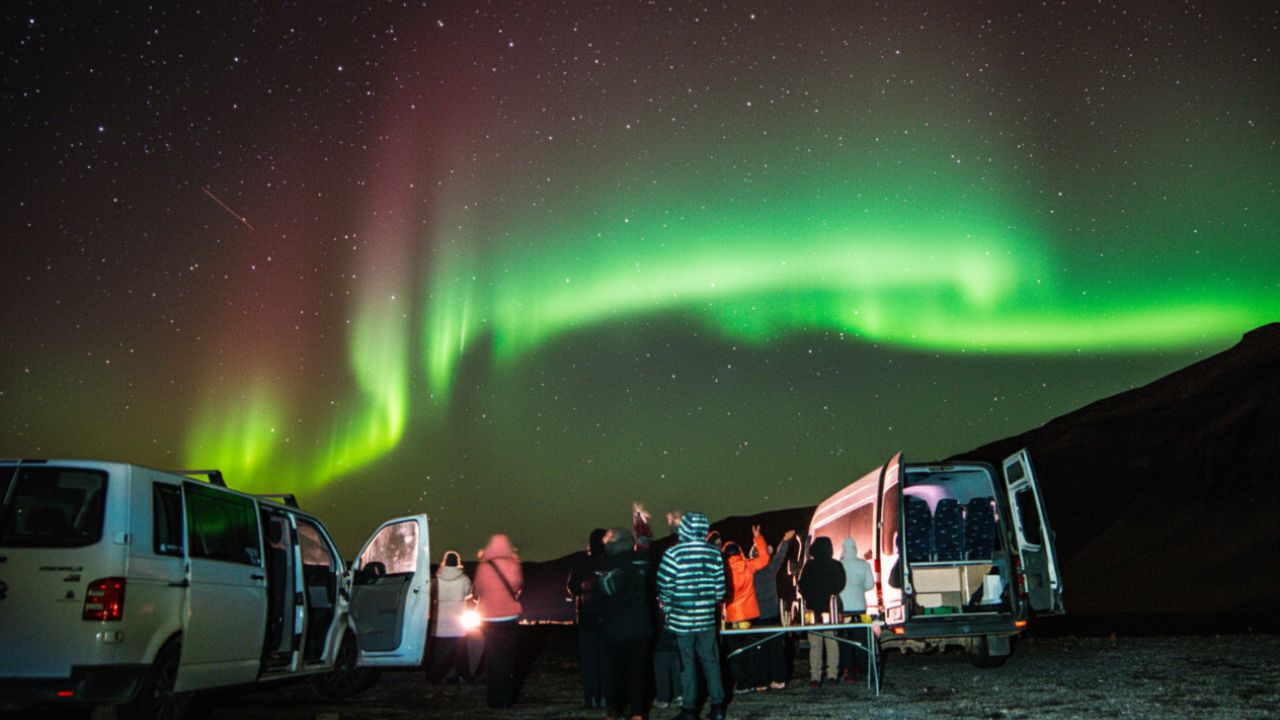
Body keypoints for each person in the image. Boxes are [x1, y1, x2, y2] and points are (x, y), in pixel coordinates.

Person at [656, 512, 726, 720]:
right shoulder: (714, 554)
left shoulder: (673, 554)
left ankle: (689, 710)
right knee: (711, 662)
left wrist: (669, 609)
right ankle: (718, 708)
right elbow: (721, 591)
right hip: (706, 620)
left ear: (684, 528)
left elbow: (663, 586)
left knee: (687, 665)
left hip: (681, 621)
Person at [598, 520, 653, 720]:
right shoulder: (641, 561)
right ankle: (637, 712)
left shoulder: (606, 568)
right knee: (637, 672)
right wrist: (643, 535)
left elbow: (599, 597)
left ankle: (613, 710)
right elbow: (646, 547)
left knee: (613, 672)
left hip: (613, 629)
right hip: (640, 627)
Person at [474, 534, 523, 709]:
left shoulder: (484, 567)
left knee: (492, 659)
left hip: (489, 618)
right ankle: (506, 699)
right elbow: (517, 586)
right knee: (507, 659)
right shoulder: (514, 565)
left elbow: (478, 590)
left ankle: (493, 700)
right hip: (509, 617)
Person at [721, 525, 770, 692]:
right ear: (739, 551)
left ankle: (742, 683)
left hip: (733, 617)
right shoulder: (748, 565)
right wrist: (758, 538)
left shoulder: (723, 570)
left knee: (736, 651)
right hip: (750, 615)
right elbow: (764, 559)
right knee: (752, 649)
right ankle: (756, 680)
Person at [567, 528, 611, 708]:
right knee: (607, 660)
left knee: (588, 660)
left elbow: (571, 587)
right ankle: (607, 696)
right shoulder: (611, 563)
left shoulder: (580, 563)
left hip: (587, 618)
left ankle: (591, 697)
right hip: (608, 618)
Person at [750, 529, 796, 690]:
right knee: (775, 648)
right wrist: (785, 540)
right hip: (771, 613)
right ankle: (779, 679)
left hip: (755, 615)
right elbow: (780, 556)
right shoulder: (770, 569)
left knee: (759, 649)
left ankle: (760, 682)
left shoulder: (749, 570)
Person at [798, 536, 845, 688]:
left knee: (815, 645)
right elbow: (840, 584)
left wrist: (810, 597)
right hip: (830, 609)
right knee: (832, 643)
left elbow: (802, 586)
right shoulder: (836, 565)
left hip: (813, 610)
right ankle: (832, 674)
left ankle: (815, 677)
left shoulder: (809, 566)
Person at [426, 550, 473, 683]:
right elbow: (468, 593)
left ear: (444, 562)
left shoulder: (436, 579)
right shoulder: (464, 579)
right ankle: (463, 675)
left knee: (438, 653)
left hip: (439, 622)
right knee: (460, 652)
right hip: (457, 623)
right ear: (458, 562)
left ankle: (433, 677)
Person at [837, 537, 874, 682]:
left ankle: (848, 670)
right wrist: (859, 588)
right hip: (860, 608)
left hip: (843, 609)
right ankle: (862, 668)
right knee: (861, 639)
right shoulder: (863, 565)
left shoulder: (839, 565)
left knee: (845, 639)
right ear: (855, 548)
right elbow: (870, 585)